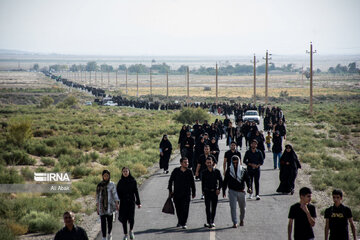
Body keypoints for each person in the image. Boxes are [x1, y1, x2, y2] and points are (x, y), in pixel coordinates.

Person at [223, 155, 252, 228]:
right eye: (234, 163)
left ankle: (241, 219)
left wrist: (249, 187)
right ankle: (235, 222)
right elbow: (225, 181)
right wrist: (223, 190)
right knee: (233, 207)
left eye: (236, 163)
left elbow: (248, 179)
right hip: (232, 191)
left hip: (241, 191)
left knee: (243, 208)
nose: (235, 164)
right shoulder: (229, 170)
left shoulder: (243, 170)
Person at [168, 157, 196, 229]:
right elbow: (170, 181)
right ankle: (179, 221)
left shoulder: (189, 171)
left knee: (185, 209)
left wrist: (194, 192)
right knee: (178, 208)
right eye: (185, 162)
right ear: (181, 163)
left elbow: (192, 183)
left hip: (186, 194)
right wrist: (170, 191)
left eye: (187, 162)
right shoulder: (176, 171)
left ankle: (184, 223)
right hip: (177, 194)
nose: (187, 164)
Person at [117, 167, 141, 240]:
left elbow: (136, 192)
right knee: (124, 219)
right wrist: (117, 204)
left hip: (131, 202)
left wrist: (138, 202)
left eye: (126, 171)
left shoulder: (133, 180)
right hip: (123, 203)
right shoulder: (120, 182)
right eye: (124, 171)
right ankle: (125, 235)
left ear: (129, 172)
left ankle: (131, 231)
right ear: (122, 172)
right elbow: (117, 194)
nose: (125, 172)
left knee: (131, 218)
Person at [96, 170, 119, 240]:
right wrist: (97, 206)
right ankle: (103, 237)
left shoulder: (112, 184)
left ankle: (109, 233)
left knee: (110, 222)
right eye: (104, 176)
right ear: (102, 176)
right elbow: (97, 196)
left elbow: (115, 194)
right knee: (103, 222)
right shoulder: (99, 185)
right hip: (101, 206)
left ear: (109, 176)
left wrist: (117, 203)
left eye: (107, 176)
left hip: (110, 206)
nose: (106, 177)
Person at [201, 157, 223, 228]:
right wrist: (203, 191)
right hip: (207, 192)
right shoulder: (204, 172)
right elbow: (203, 183)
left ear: (213, 162)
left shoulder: (217, 171)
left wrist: (219, 189)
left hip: (214, 192)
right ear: (205, 163)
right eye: (207, 163)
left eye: (210, 162)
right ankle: (208, 222)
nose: (209, 164)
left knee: (214, 207)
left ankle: (212, 221)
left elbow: (221, 181)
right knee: (207, 207)